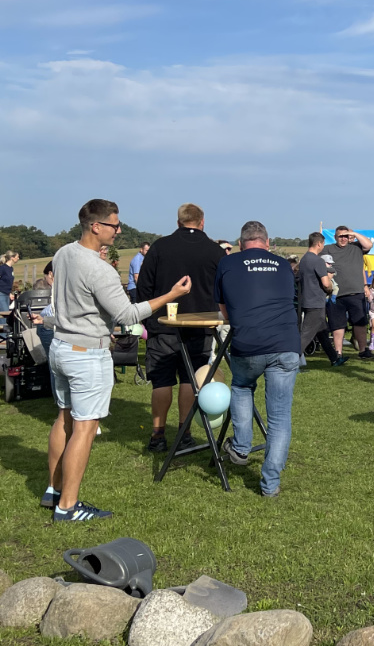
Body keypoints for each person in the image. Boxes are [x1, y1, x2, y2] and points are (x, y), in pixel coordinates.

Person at [46, 199, 191, 522]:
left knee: (64, 418)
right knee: (85, 427)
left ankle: (53, 491)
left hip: (61, 346)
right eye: (114, 224)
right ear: (96, 226)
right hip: (86, 352)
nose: (119, 230)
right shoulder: (100, 269)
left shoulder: (63, 253)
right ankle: (68, 506)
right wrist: (170, 296)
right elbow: (127, 314)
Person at [214, 220, 300, 497]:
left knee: (241, 385)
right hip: (286, 343)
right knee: (279, 417)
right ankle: (270, 485)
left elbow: (224, 310)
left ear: (241, 244)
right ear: (267, 241)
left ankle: (240, 447)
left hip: (249, 342)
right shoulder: (284, 265)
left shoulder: (227, 263)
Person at [135, 203, 226, 453]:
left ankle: (158, 434)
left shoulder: (160, 247)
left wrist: (148, 319)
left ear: (178, 223)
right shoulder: (215, 251)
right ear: (202, 222)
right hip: (201, 325)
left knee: (161, 381)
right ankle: (184, 432)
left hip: (162, 324)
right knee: (190, 379)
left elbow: (143, 287)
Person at [322, 225, 374, 360]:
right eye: (341, 236)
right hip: (335, 295)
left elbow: (369, 244)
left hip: (355, 293)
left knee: (360, 322)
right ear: (335, 237)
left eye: (346, 236)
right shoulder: (328, 249)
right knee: (337, 325)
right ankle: (338, 352)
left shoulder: (356, 247)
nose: (343, 239)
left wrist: (354, 234)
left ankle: (363, 350)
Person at [297, 231, 339, 363]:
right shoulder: (318, 261)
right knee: (306, 335)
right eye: (323, 244)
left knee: (322, 332)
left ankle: (334, 358)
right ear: (319, 244)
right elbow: (326, 283)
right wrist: (331, 289)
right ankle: (289, 360)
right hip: (316, 302)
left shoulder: (304, 259)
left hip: (306, 300)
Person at [0, 252, 19, 319]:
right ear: (12, 258)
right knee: (5, 314)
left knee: (0, 315)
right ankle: (4, 328)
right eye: (17, 257)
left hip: (6, 294)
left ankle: (1, 328)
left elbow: (6, 283)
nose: (18, 258)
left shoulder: (11, 269)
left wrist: (9, 294)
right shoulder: (2, 268)